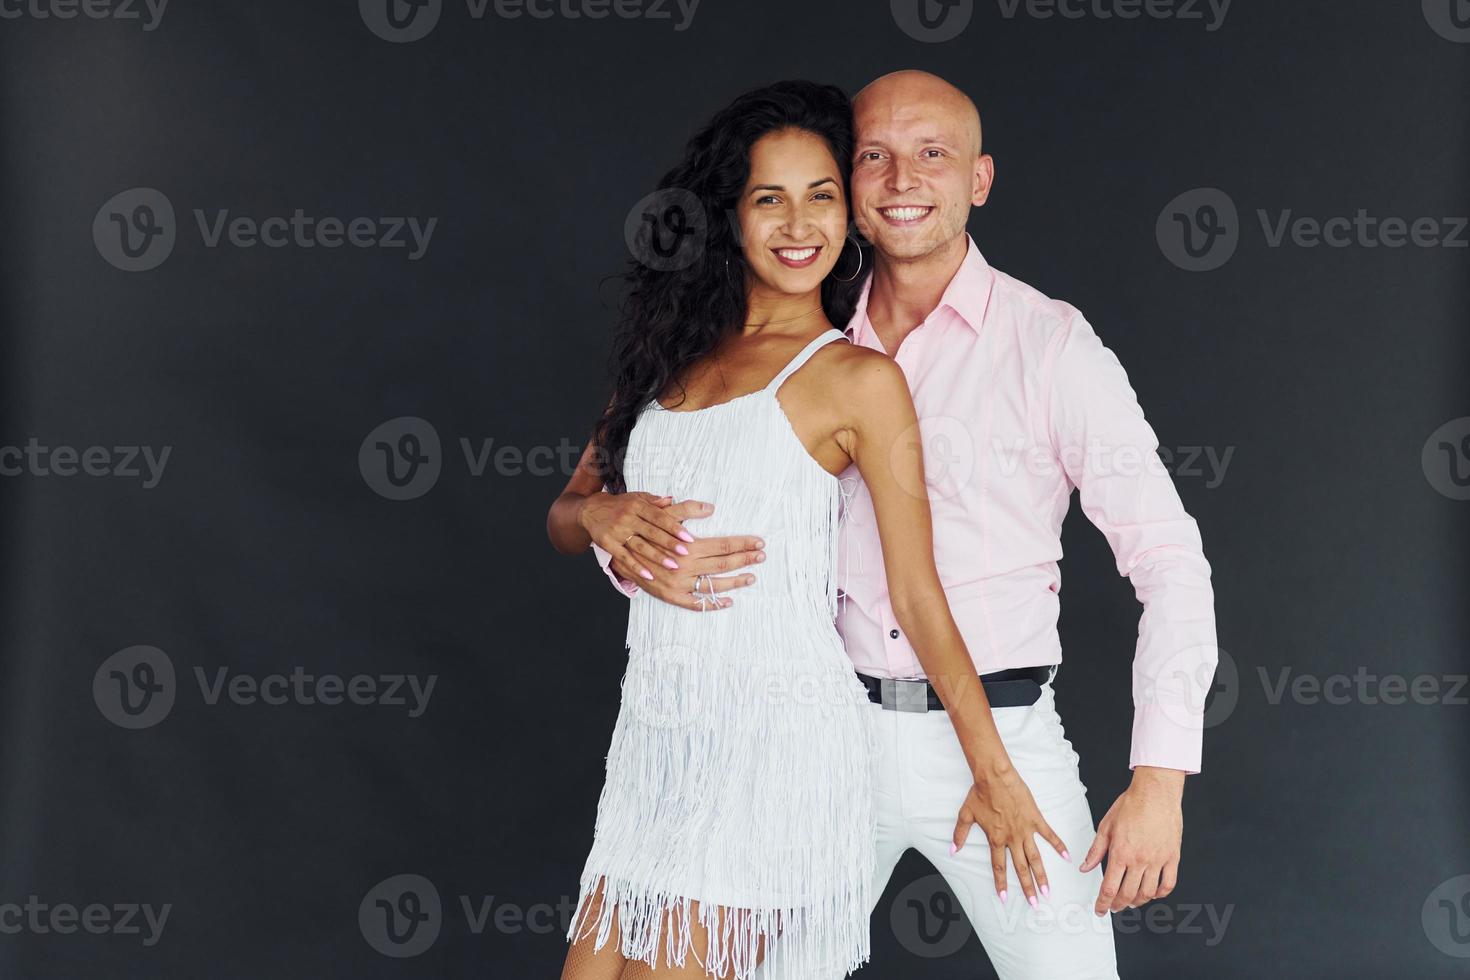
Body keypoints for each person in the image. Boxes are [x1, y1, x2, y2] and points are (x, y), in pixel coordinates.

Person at [583, 70, 1220, 979]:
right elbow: (710, 484)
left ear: (980, 179)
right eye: (873, 156)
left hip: (997, 739)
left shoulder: (1051, 347)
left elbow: (1171, 563)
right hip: (814, 741)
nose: (900, 178)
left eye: (932, 154)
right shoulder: (802, 329)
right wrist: (632, 552)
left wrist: (1160, 777)